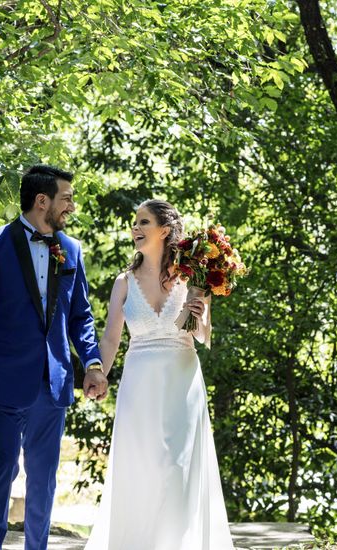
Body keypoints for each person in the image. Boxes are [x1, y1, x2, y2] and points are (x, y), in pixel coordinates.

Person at [0, 164, 110, 550]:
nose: (71, 207)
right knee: (3, 467)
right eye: (67, 199)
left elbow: (81, 316)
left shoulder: (71, 250)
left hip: (54, 381)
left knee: (43, 477)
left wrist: (92, 364)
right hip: (2, 382)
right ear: (42, 201)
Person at [83, 199, 235, 550]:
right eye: (134, 222)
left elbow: (201, 334)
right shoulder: (124, 281)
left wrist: (199, 312)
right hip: (139, 384)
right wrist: (98, 374)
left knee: (176, 468)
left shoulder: (192, 275)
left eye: (143, 222)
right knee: (142, 469)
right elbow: (110, 337)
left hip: (181, 380)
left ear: (165, 230)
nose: (135, 228)